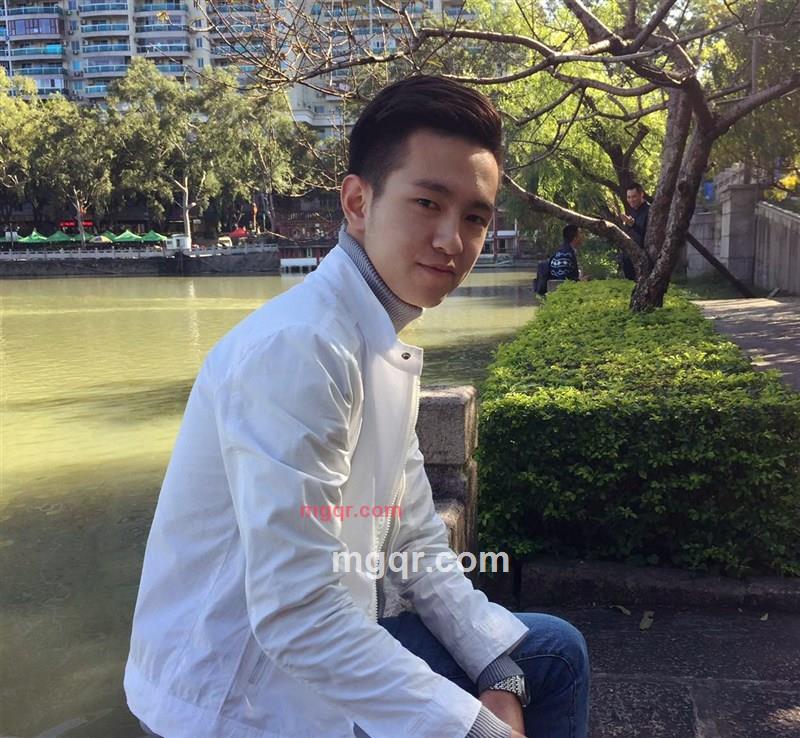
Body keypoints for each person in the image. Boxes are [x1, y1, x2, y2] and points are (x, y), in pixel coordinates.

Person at [124, 75, 590, 738]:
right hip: (238, 692)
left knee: (549, 654)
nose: (452, 240)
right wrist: (476, 729)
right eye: (427, 203)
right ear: (357, 202)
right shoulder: (301, 349)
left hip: (334, 629)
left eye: (474, 217)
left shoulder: (376, 342)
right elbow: (296, 614)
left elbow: (414, 539)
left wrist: (496, 669)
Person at [620, 182, 649, 280]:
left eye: (634, 197)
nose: (631, 200)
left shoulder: (649, 211)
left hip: (642, 259)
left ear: (641, 194)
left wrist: (633, 225)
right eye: (629, 197)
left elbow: (648, 235)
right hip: (629, 257)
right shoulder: (632, 211)